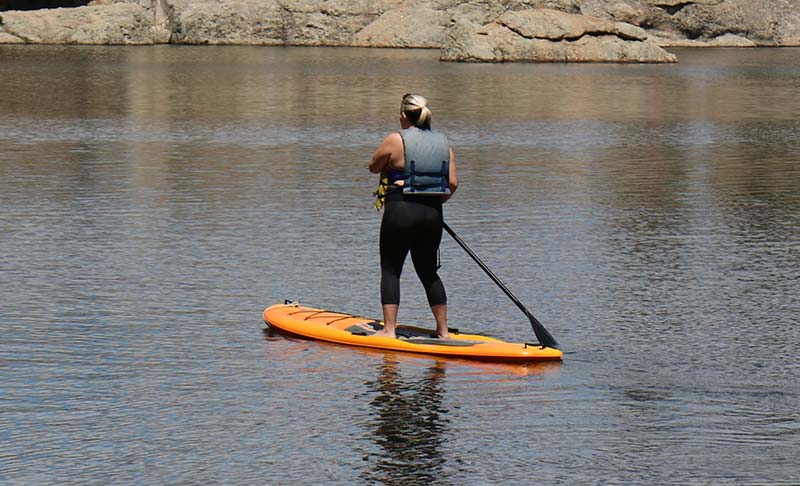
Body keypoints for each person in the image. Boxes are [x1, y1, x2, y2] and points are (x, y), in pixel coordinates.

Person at [368, 94, 458, 339]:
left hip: (401, 211)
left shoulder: (395, 139)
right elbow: (452, 183)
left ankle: (388, 330)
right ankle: (443, 332)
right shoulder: (444, 144)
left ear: (404, 116)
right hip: (432, 215)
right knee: (428, 271)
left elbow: (374, 166)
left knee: (391, 269)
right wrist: (433, 204)